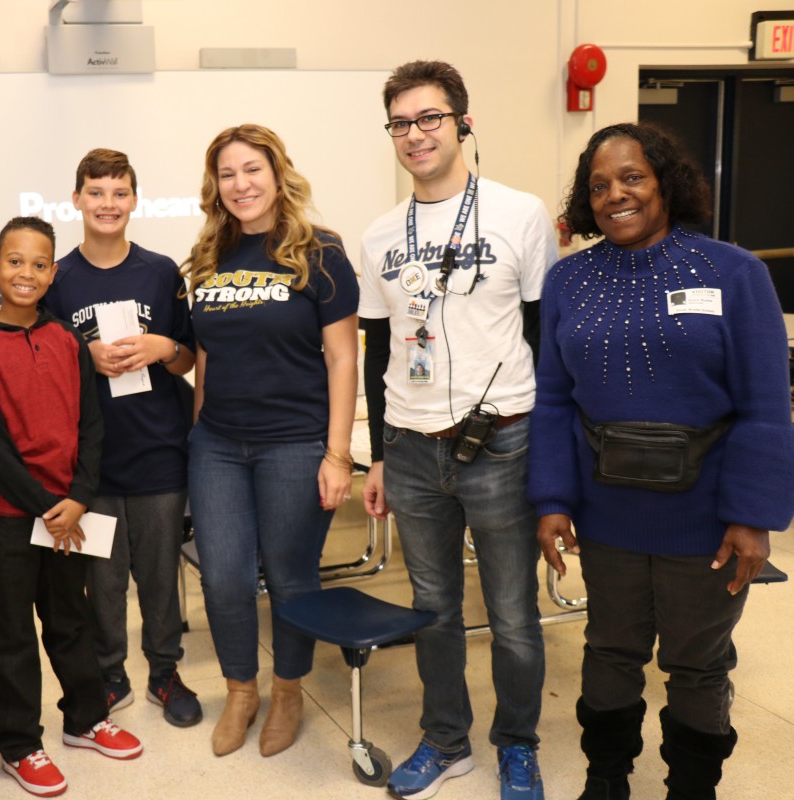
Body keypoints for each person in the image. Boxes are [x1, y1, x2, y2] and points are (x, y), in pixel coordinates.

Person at [531, 122, 794, 800]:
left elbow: (766, 406)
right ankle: (606, 779)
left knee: (697, 664)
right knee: (609, 650)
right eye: (598, 186)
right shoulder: (568, 280)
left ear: (666, 184)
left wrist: (753, 516)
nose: (614, 194)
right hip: (607, 513)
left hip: (705, 520)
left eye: (631, 178)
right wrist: (553, 500)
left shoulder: (735, 273)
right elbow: (555, 401)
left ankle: (692, 789)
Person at [357, 60, 554, 800]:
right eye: (401, 123)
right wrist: (377, 456)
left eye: (429, 118)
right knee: (431, 610)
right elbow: (379, 349)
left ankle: (518, 746)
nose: (415, 135)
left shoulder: (519, 213)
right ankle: (446, 741)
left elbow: (541, 334)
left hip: (501, 440)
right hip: (410, 447)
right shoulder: (379, 234)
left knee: (511, 614)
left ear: (462, 122)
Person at [183, 124, 359, 758]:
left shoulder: (321, 252)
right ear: (216, 186)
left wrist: (337, 454)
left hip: (294, 444)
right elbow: (205, 354)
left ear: (277, 173)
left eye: (251, 170)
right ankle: (241, 690)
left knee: (290, 577)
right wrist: (200, 431)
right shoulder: (206, 257)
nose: (240, 184)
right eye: (227, 174)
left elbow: (342, 359)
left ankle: (288, 691)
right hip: (219, 446)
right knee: (224, 578)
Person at [0, 216, 143, 798]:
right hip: (12, 516)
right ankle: (19, 742)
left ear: (53, 273)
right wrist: (45, 504)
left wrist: (79, 498)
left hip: (70, 511)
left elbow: (91, 424)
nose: (26, 273)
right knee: (10, 629)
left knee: (71, 619)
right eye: (15, 261)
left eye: (39, 264)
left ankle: (86, 719)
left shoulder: (67, 338)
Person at [42, 148, 202, 727]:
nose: (108, 203)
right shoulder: (56, 279)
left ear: (134, 199)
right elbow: (44, 368)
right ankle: (111, 672)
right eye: (96, 191)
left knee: (160, 577)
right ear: (77, 197)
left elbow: (187, 359)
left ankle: (165, 671)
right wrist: (82, 357)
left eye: (119, 192)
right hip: (93, 466)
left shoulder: (160, 271)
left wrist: (163, 348)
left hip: (159, 455)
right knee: (102, 583)